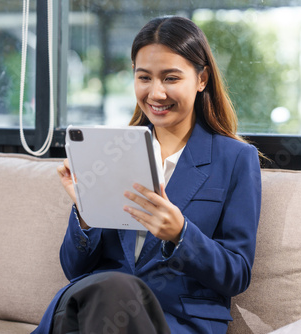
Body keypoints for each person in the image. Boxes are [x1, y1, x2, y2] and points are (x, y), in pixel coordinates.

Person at [33, 16, 261, 334]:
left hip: (175, 322)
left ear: (202, 79)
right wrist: (85, 213)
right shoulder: (112, 151)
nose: (156, 93)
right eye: (145, 78)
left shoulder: (235, 159)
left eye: (170, 78)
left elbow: (237, 273)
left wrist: (182, 233)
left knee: (114, 288)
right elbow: (75, 270)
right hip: (95, 314)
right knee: (107, 289)